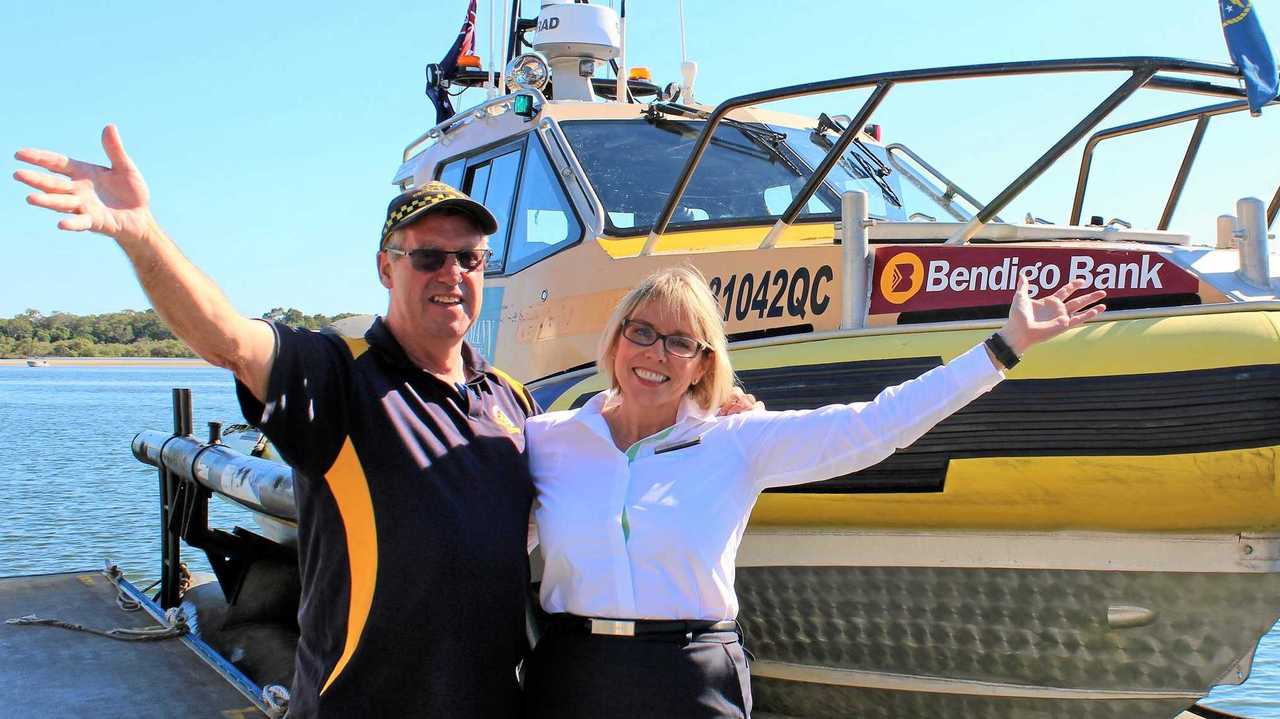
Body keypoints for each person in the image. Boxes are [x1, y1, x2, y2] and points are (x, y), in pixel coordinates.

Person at [13, 126, 537, 718]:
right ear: (387, 270)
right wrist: (141, 234)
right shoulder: (339, 375)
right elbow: (230, 341)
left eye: (469, 258)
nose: (453, 274)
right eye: (428, 257)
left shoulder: (511, 397)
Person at [521, 266, 1106, 718]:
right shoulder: (548, 440)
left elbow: (875, 427)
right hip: (573, 672)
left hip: (688, 674)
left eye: (680, 342)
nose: (655, 353)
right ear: (616, 340)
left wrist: (1002, 348)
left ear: (703, 365)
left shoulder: (737, 441)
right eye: (641, 332)